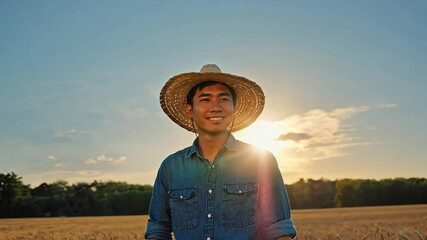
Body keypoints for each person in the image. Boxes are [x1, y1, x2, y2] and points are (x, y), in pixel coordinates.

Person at [145, 64, 297, 240]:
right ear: (189, 110)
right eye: (205, 99)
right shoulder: (171, 167)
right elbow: (159, 228)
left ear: (234, 108)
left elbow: (278, 228)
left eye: (224, 99)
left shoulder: (261, 161)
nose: (215, 107)